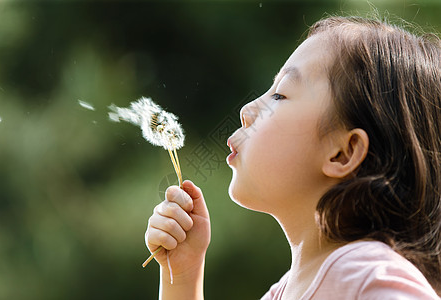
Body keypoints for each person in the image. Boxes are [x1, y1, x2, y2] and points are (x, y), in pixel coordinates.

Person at [144, 16, 441, 299]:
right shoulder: (282, 292)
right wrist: (183, 274)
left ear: (342, 153)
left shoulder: (363, 273)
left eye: (280, 95)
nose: (246, 111)